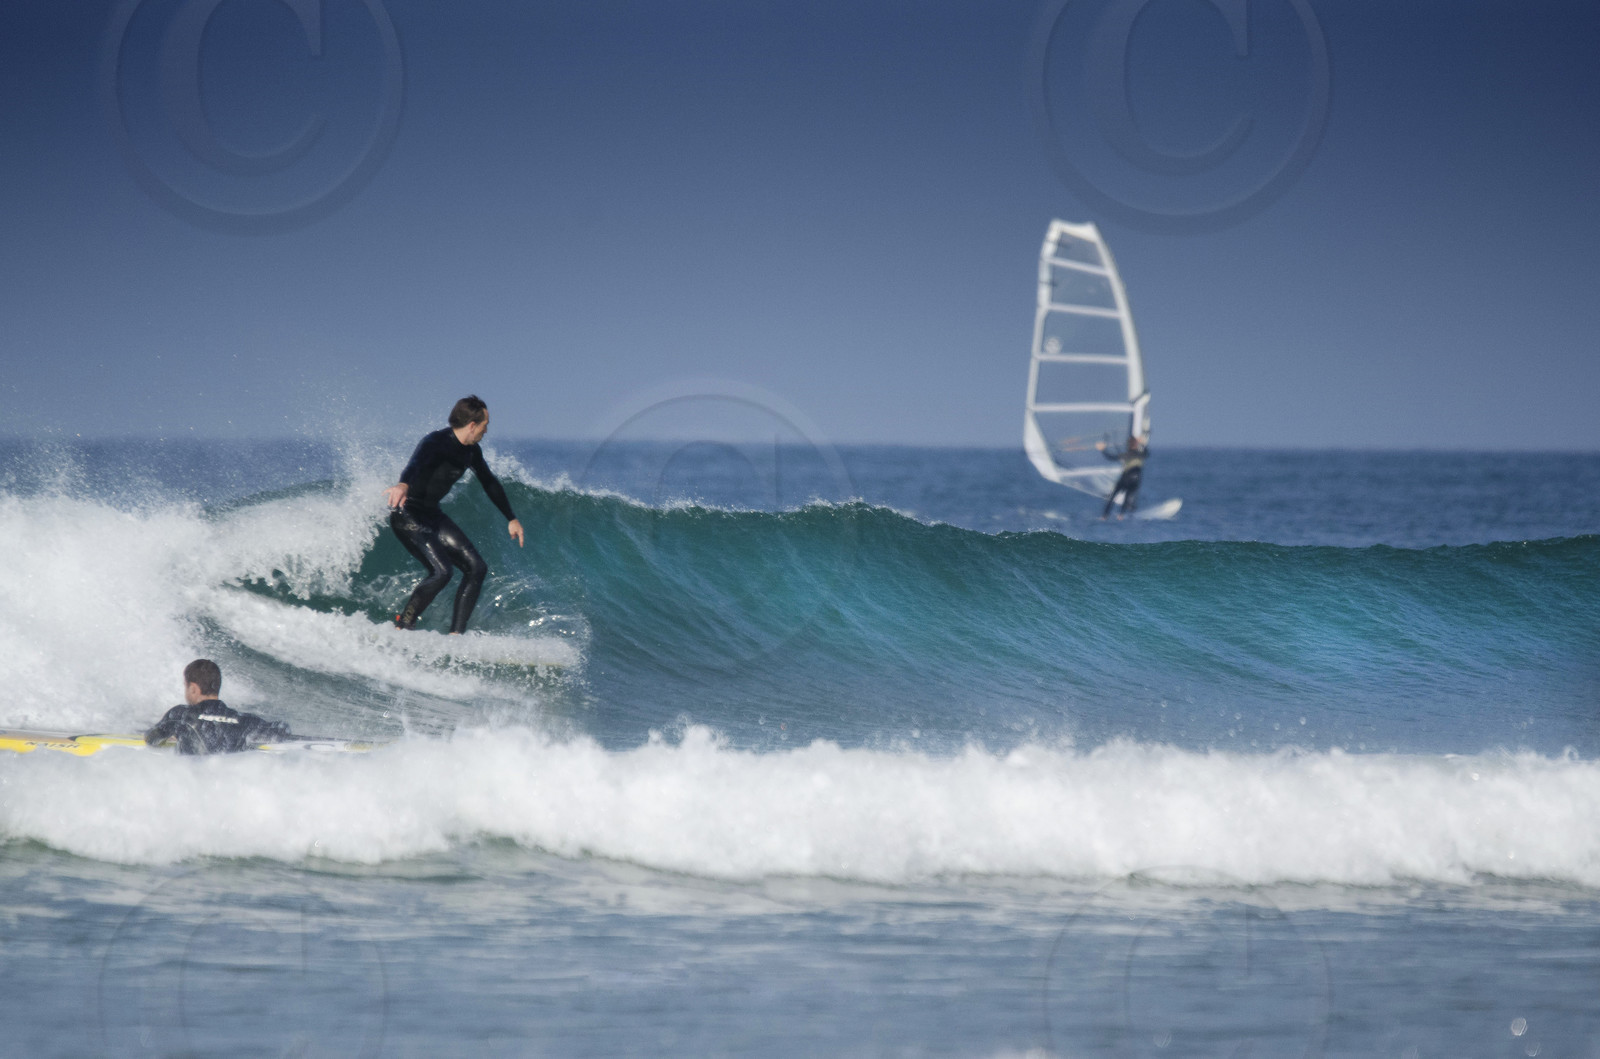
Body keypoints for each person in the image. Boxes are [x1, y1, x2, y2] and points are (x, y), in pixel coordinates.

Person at [385, 395, 525, 633]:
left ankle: (456, 635)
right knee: (442, 572)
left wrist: (511, 518)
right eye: (485, 425)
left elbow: (489, 482)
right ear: (472, 425)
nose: (486, 430)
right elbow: (415, 464)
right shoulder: (435, 441)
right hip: (407, 514)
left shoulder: (472, 451)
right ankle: (403, 624)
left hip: (432, 514)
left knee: (477, 568)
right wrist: (403, 484)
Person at [145, 659, 291, 755]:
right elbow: (281, 730)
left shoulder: (180, 716)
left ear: (193, 688)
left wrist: (173, 734)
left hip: (192, 785)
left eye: (186, 687)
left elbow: (151, 739)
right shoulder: (243, 721)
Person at [1096, 433, 1147, 519]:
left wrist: (1103, 450)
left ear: (1128, 445)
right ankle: (1121, 515)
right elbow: (1147, 453)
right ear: (1136, 445)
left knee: (1112, 497)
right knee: (1127, 497)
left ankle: (1105, 516)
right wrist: (1142, 443)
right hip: (1136, 480)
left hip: (1126, 478)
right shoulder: (1141, 454)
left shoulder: (1126, 454)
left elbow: (1111, 457)